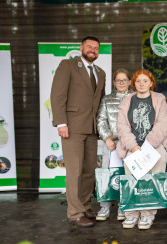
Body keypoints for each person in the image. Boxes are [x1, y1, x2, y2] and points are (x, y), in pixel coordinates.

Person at [51, 36, 106, 227]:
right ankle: (74, 213)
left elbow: (99, 103)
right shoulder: (68, 65)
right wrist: (61, 123)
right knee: (74, 171)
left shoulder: (101, 72)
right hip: (72, 127)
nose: (93, 50)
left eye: (96, 48)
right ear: (81, 47)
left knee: (89, 170)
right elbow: (57, 95)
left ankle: (84, 205)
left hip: (92, 129)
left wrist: (100, 126)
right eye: (89, 46)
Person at [116, 69, 167, 230]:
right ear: (134, 84)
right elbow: (122, 127)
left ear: (151, 83)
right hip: (133, 148)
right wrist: (133, 146)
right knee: (132, 182)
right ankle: (131, 215)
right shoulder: (127, 101)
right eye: (138, 81)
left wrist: (148, 145)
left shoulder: (160, 99)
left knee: (151, 182)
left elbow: (162, 124)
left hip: (154, 147)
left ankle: (147, 215)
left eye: (145, 81)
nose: (141, 84)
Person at [95, 68, 133, 221]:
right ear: (114, 82)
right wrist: (107, 138)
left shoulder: (135, 98)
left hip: (129, 143)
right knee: (106, 174)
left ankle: (123, 206)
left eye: (124, 80)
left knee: (126, 174)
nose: (121, 83)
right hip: (111, 143)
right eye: (118, 80)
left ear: (129, 82)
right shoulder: (106, 99)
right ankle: (104, 206)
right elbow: (101, 120)